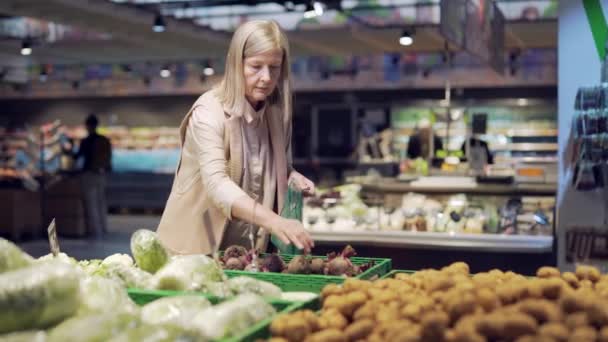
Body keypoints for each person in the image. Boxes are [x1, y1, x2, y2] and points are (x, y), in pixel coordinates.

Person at [157, 20, 315, 255]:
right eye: (256, 66)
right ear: (235, 64)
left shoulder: (274, 111)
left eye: (274, 67)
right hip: (192, 252)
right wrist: (275, 221)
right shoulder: (207, 113)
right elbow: (217, 184)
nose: (266, 77)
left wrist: (291, 174)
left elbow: (264, 166)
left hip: (246, 253)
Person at [74, 114, 112, 238]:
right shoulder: (105, 140)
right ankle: (104, 228)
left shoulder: (86, 141)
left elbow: (78, 156)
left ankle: (95, 231)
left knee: (91, 203)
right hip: (101, 174)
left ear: (87, 126)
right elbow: (109, 158)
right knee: (101, 202)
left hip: (89, 174)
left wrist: (67, 151)